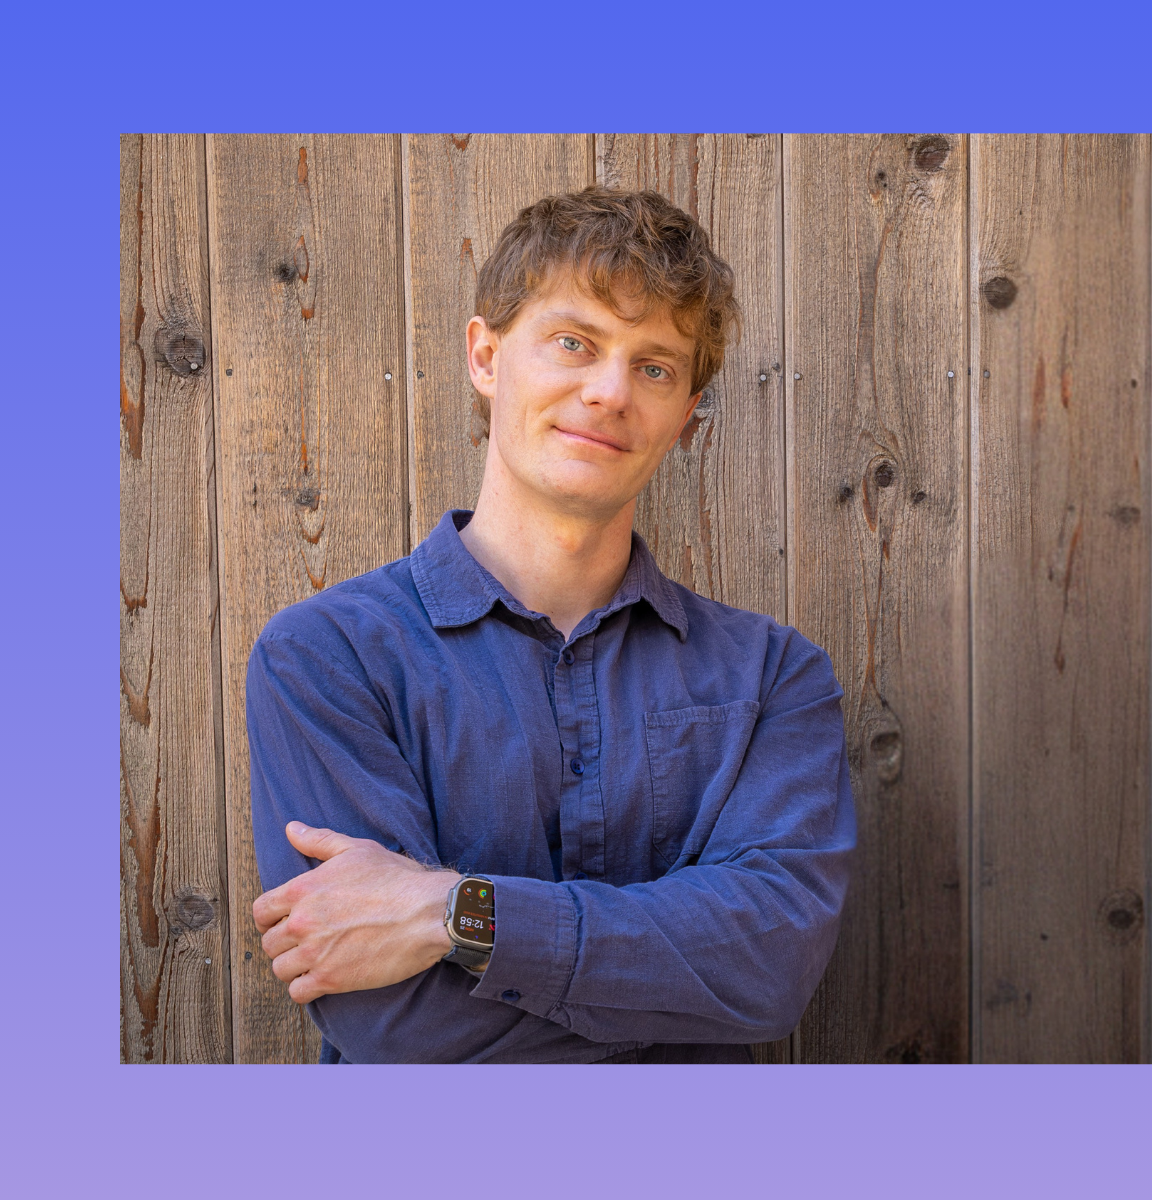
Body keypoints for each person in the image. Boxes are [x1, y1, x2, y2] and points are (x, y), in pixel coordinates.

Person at [245, 186, 856, 1064]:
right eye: (574, 343)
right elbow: (396, 1025)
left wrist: (443, 913)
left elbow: (767, 971)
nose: (609, 391)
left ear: (685, 417)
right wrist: (667, 987)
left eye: (655, 367)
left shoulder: (772, 679)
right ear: (486, 357)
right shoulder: (328, 658)